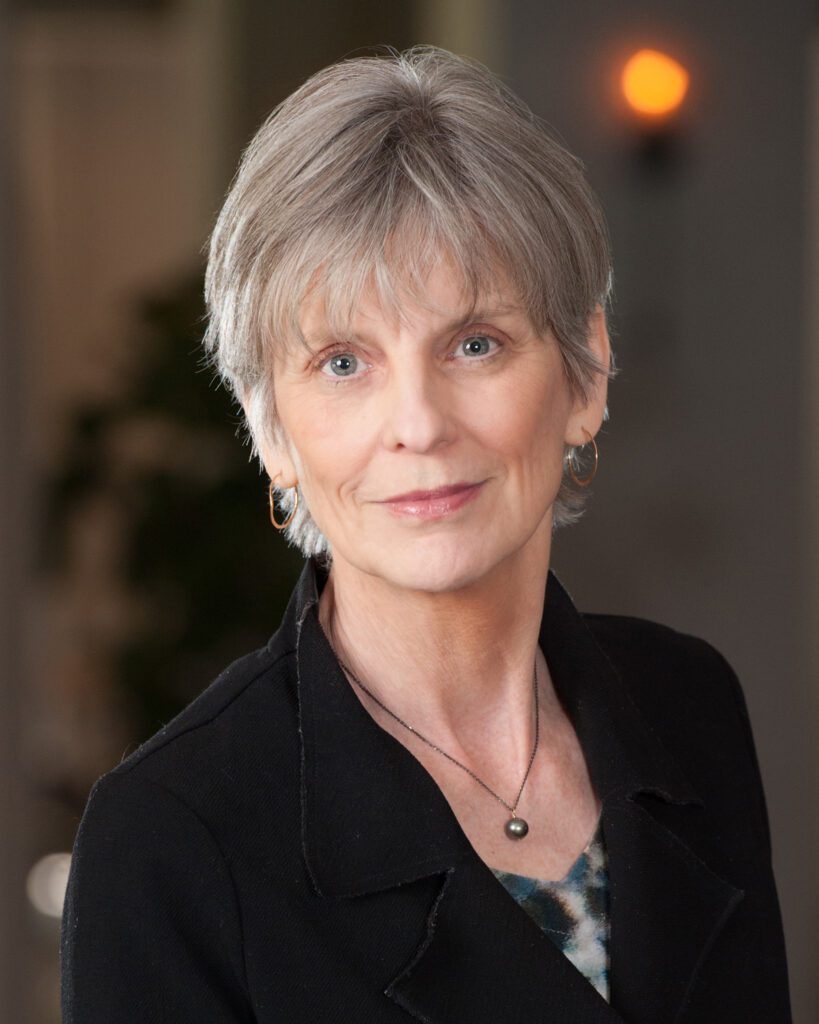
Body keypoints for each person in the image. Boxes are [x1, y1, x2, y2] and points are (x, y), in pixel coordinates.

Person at [60, 46, 791, 1022]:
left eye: (475, 343)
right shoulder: (168, 838)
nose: (419, 421)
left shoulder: (691, 707)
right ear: (270, 428)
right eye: (343, 361)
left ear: (585, 373)